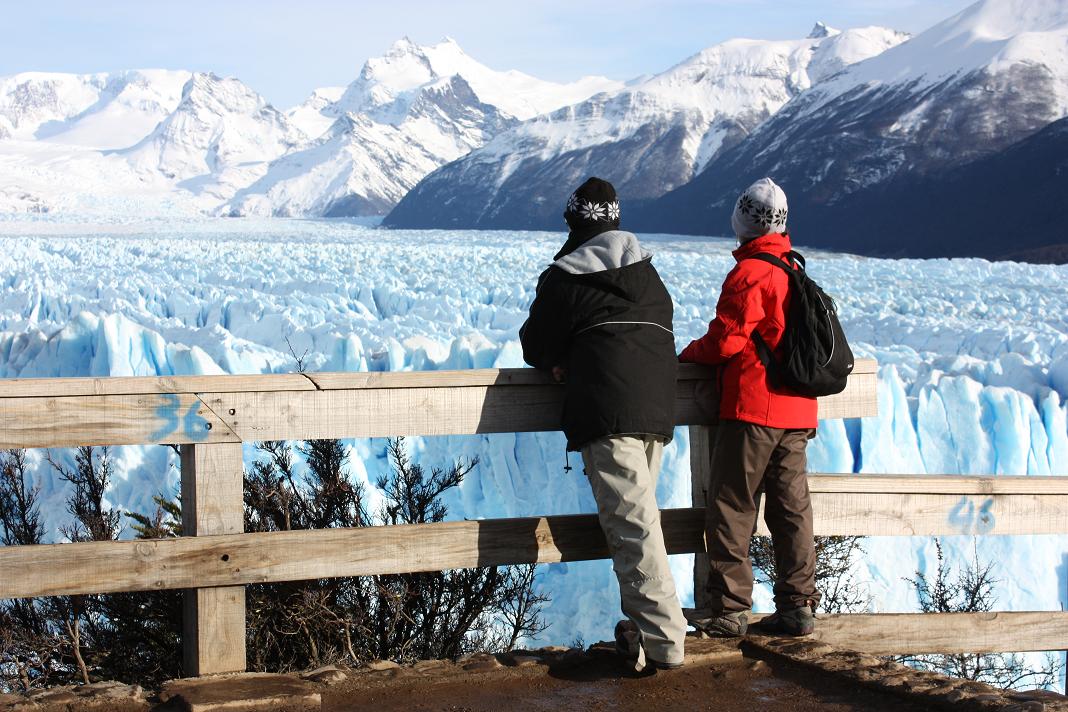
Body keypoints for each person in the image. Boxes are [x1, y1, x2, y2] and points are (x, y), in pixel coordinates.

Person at [519, 177, 687, 671]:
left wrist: (563, 359)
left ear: (573, 221)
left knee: (633, 528)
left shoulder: (565, 278)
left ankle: (666, 646)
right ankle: (641, 633)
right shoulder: (647, 275)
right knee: (638, 522)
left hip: (608, 409)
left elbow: (536, 343)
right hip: (656, 407)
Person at [679, 177, 821, 637]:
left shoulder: (750, 272)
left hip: (754, 409)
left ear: (743, 219)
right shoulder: (793, 267)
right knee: (790, 509)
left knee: (731, 505)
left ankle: (730, 609)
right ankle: (798, 606)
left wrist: (688, 354)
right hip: (797, 411)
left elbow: (727, 341)